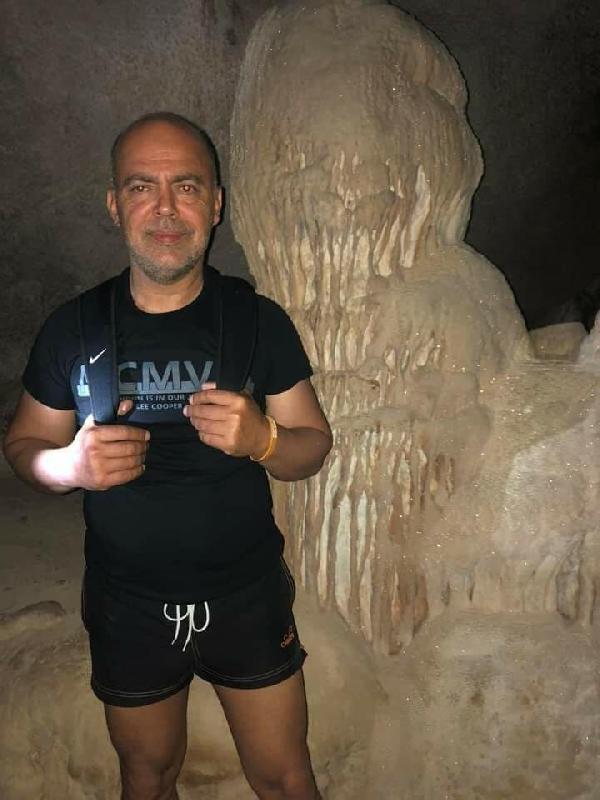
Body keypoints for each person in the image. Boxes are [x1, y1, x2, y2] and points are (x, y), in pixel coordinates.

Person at [3, 111, 332, 800]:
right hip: (128, 604)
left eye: (186, 186)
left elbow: (312, 445)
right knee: (147, 777)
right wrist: (68, 467)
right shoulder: (74, 329)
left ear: (215, 204)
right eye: (141, 186)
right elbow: (24, 445)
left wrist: (265, 440)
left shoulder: (258, 321)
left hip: (246, 596)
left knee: (284, 778)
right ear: (114, 204)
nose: (164, 208)